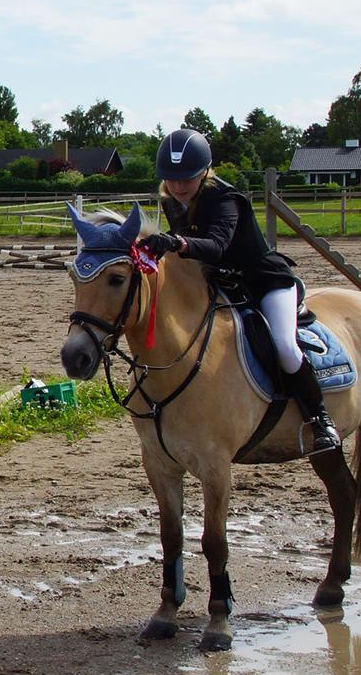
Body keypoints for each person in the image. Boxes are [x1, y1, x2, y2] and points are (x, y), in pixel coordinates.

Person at [143, 129, 340, 454]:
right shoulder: (172, 202)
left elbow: (217, 246)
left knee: (284, 346)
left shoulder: (226, 199)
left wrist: (177, 242)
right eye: (171, 179)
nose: (178, 186)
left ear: (204, 172)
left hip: (264, 282)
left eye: (187, 178)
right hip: (221, 285)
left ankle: (320, 420)